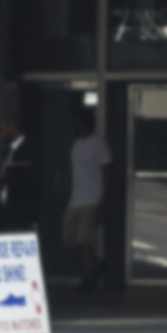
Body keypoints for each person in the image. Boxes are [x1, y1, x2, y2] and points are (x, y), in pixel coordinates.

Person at [61, 116, 112, 285]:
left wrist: (103, 198)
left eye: (78, 123)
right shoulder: (77, 143)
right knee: (69, 238)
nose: (75, 126)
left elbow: (106, 171)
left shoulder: (98, 143)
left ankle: (88, 276)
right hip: (75, 198)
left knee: (86, 240)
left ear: (85, 124)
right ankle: (97, 263)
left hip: (91, 199)